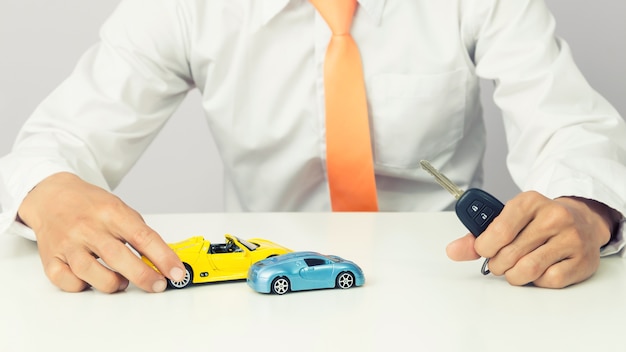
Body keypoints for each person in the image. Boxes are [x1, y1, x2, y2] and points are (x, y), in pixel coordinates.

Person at [1, 0, 625, 293]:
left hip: (452, 283)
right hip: (261, 286)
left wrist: (583, 207)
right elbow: (58, 139)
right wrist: (48, 193)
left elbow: (571, 126)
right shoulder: (183, 6)